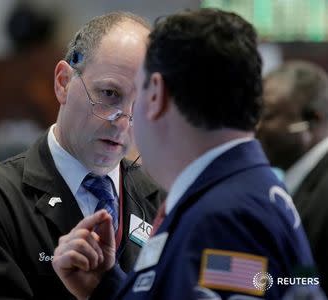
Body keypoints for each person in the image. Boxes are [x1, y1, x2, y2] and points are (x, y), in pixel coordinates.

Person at [52, 8, 319, 300]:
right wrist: (107, 288)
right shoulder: (242, 194)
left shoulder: (224, 218)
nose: (126, 118)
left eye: (137, 94)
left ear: (156, 94)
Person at [0, 11, 164, 300]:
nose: (124, 121)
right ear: (63, 83)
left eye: (142, 105)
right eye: (109, 94)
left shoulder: (161, 200)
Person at [256, 60, 328, 294]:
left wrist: (226, 270)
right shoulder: (296, 183)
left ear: (312, 119)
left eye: (267, 115)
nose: (256, 127)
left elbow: (309, 279)